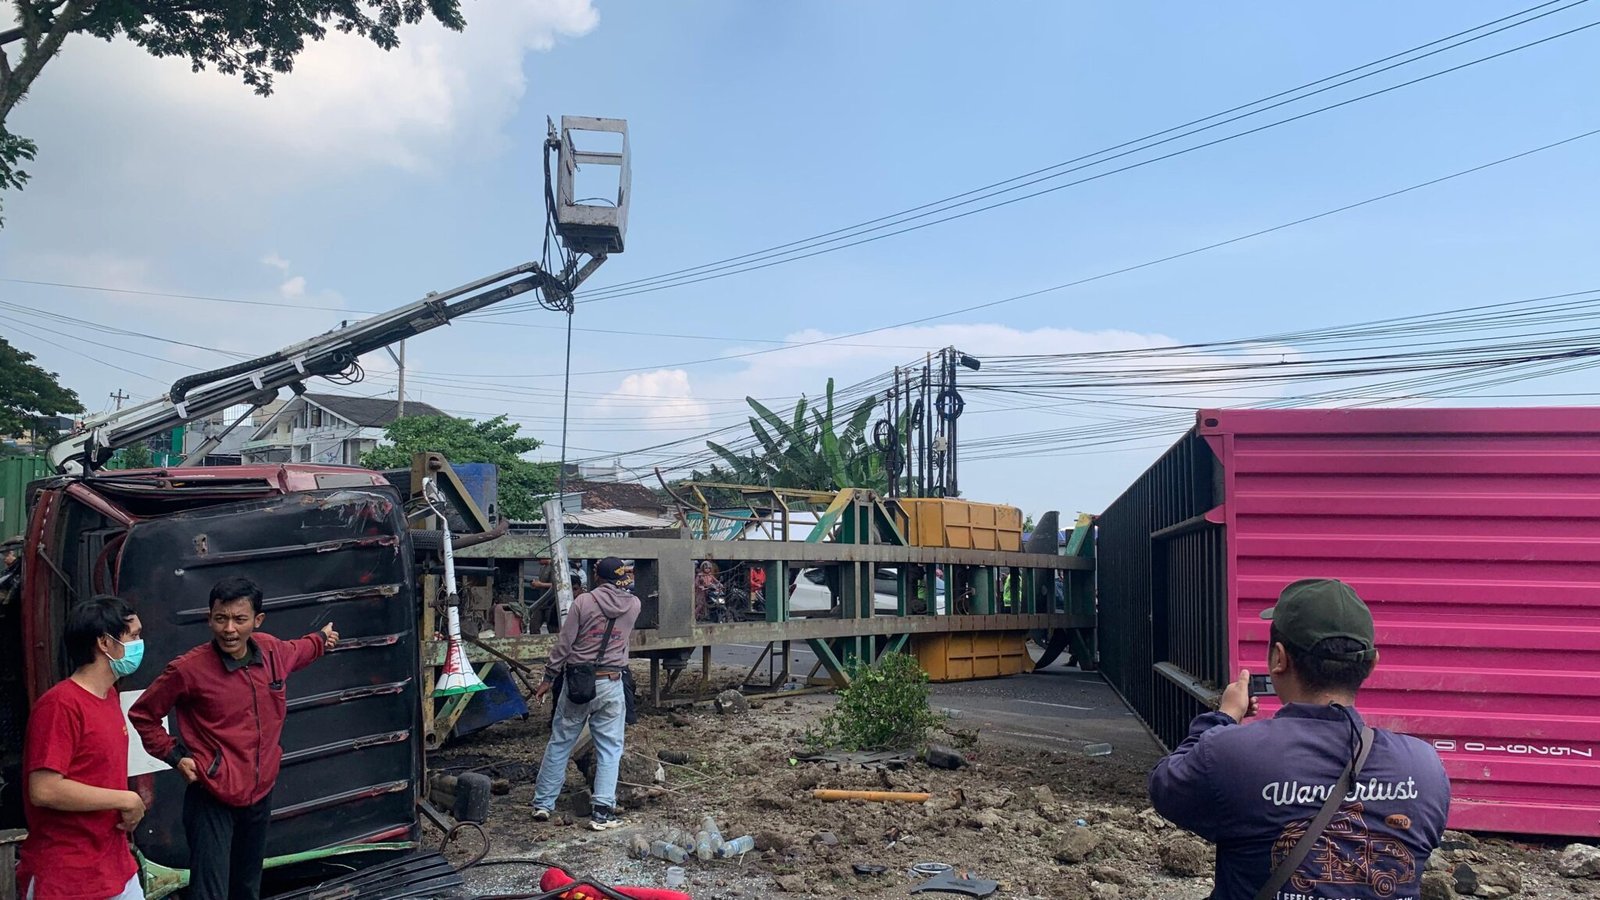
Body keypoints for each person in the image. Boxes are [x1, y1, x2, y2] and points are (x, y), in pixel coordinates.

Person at [1148, 578, 1450, 900]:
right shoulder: (1425, 768)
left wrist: (1223, 717)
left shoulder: (1231, 752)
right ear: (1371, 664)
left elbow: (1166, 787)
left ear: (1279, 658)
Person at [129, 576, 338, 900]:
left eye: (239, 619)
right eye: (220, 618)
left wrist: (323, 640)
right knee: (210, 891)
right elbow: (143, 714)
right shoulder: (188, 669)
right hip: (213, 794)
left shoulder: (272, 651)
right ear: (209, 618)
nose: (229, 629)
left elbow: (301, 650)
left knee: (247, 885)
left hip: (259, 791)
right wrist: (175, 756)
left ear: (257, 620)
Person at [16, 594, 147, 900]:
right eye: (135, 636)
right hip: (69, 877)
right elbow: (45, 789)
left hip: (115, 868)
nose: (141, 644)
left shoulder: (110, 696)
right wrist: (126, 799)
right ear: (105, 642)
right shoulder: (60, 705)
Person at [530, 556, 640, 831]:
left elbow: (564, 645)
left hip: (578, 682)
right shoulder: (634, 605)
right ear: (621, 577)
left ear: (597, 575)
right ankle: (602, 812)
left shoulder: (583, 602)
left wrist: (548, 677)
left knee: (561, 741)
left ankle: (543, 804)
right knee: (610, 747)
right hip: (612, 681)